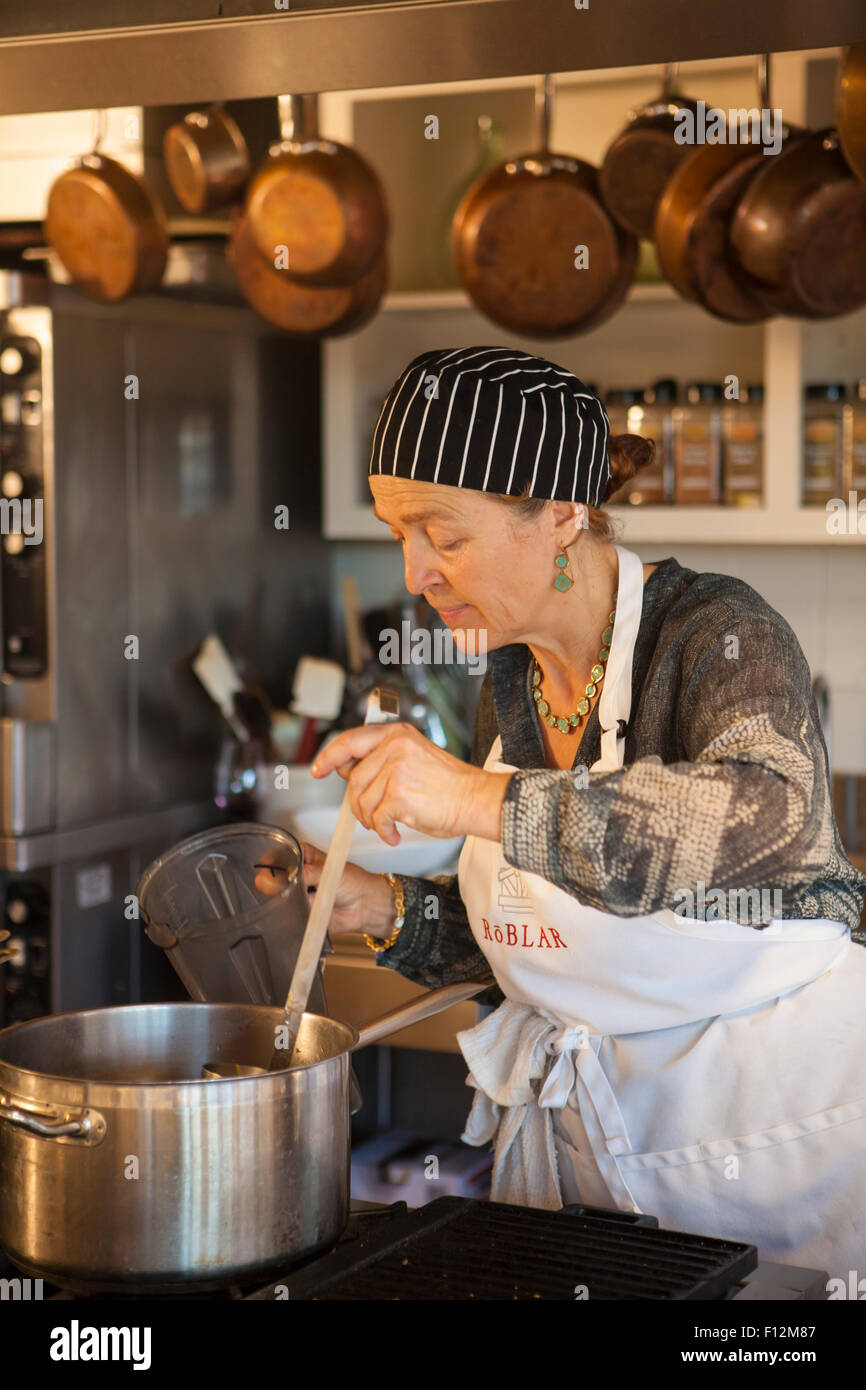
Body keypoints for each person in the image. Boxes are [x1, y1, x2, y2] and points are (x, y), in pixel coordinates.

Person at [302, 345, 866, 1278]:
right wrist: (384, 910)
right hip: (596, 1167)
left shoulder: (717, 633)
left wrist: (473, 796)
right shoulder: (512, 674)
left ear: (561, 514)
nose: (415, 573)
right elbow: (565, 954)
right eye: (398, 532)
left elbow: (769, 823)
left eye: (442, 533)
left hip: (777, 1153)